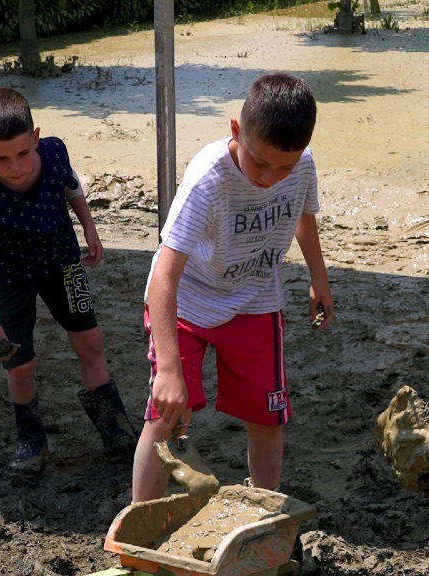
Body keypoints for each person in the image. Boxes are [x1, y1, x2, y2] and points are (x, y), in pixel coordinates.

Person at [133, 73, 333, 501]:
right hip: (186, 303)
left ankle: (264, 510)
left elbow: (304, 215)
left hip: (256, 300)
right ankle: (139, 521)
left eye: (284, 167)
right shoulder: (207, 179)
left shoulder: (302, 165)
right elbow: (164, 275)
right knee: (167, 416)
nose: (271, 178)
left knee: (267, 416)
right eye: (259, 163)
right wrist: (168, 368)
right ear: (237, 130)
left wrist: (319, 277)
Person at [0, 86, 139, 476]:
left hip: (64, 262)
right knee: (20, 364)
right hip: (9, 276)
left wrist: (89, 227)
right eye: (1, 158)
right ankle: (31, 440)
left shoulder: (55, 153)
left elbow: (71, 187)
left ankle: (116, 429)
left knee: (90, 340)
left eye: (23, 153)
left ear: (36, 138)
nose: (15, 166)